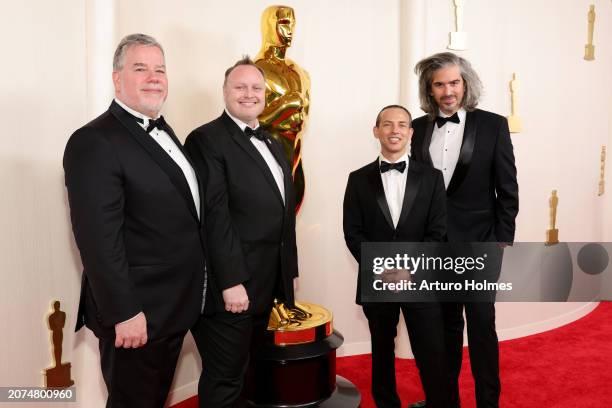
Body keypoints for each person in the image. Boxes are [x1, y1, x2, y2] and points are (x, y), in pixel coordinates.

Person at [63, 33, 206, 408]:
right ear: (116, 78)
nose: (154, 77)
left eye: (160, 69)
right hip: (137, 314)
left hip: (172, 306)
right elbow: (97, 238)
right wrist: (124, 312)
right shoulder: (94, 141)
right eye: (140, 68)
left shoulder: (162, 129)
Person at [185, 56, 298, 407]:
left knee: (248, 374)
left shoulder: (275, 143)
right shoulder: (206, 139)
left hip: (265, 283)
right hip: (230, 289)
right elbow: (214, 215)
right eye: (240, 87)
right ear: (224, 92)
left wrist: (286, 274)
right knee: (225, 379)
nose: (249, 94)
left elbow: (282, 214)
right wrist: (231, 281)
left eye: (256, 88)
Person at [410, 52, 519, 408]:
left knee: (482, 326)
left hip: (480, 242)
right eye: (439, 84)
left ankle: (489, 402)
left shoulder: (493, 125)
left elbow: (508, 187)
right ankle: (446, 401)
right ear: (430, 88)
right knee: (445, 328)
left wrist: (501, 239)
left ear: (465, 83)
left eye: (454, 82)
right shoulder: (418, 127)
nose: (447, 91)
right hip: (434, 244)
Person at [343, 105, 449, 408]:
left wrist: (410, 271)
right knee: (382, 352)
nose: (395, 130)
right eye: (387, 124)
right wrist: (385, 270)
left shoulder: (431, 178)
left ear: (411, 133)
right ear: (376, 131)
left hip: (421, 280)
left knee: (431, 352)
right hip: (378, 281)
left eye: (402, 124)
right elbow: (353, 233)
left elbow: (437, 232)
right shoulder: (357, 179)